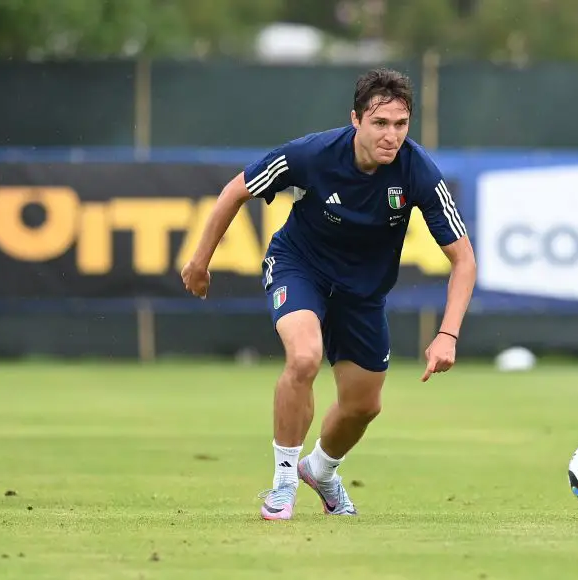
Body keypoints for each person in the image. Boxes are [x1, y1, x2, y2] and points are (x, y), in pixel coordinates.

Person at [181, 67, 476, 520]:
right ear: (355, 120)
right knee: (303, 358)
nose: (391, 135)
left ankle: (319, 470)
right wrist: (200, 261)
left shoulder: (417, 171)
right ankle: (282, 481)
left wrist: (448, 335)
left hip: (362, 295)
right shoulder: (312, 154)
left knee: (364, 406)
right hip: (301, 268)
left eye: (400, 125)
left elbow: (464, 260)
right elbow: (234, 191)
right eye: (380, 123)